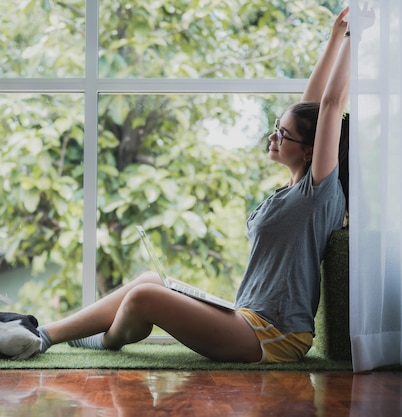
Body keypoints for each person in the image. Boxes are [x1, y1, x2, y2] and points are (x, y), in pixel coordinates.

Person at [38, 6, 351, 363]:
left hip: (275, 335)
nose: (273, 136)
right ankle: (44, 333)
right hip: (246, 317)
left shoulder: (318, 193)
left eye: (283, 134)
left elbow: (330, 104)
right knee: (148, 282)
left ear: (310, 151)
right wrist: (334, 38)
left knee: (144, 299)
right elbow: (308, 107)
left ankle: (104, 341)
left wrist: (357, 35)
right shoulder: (293, 190)